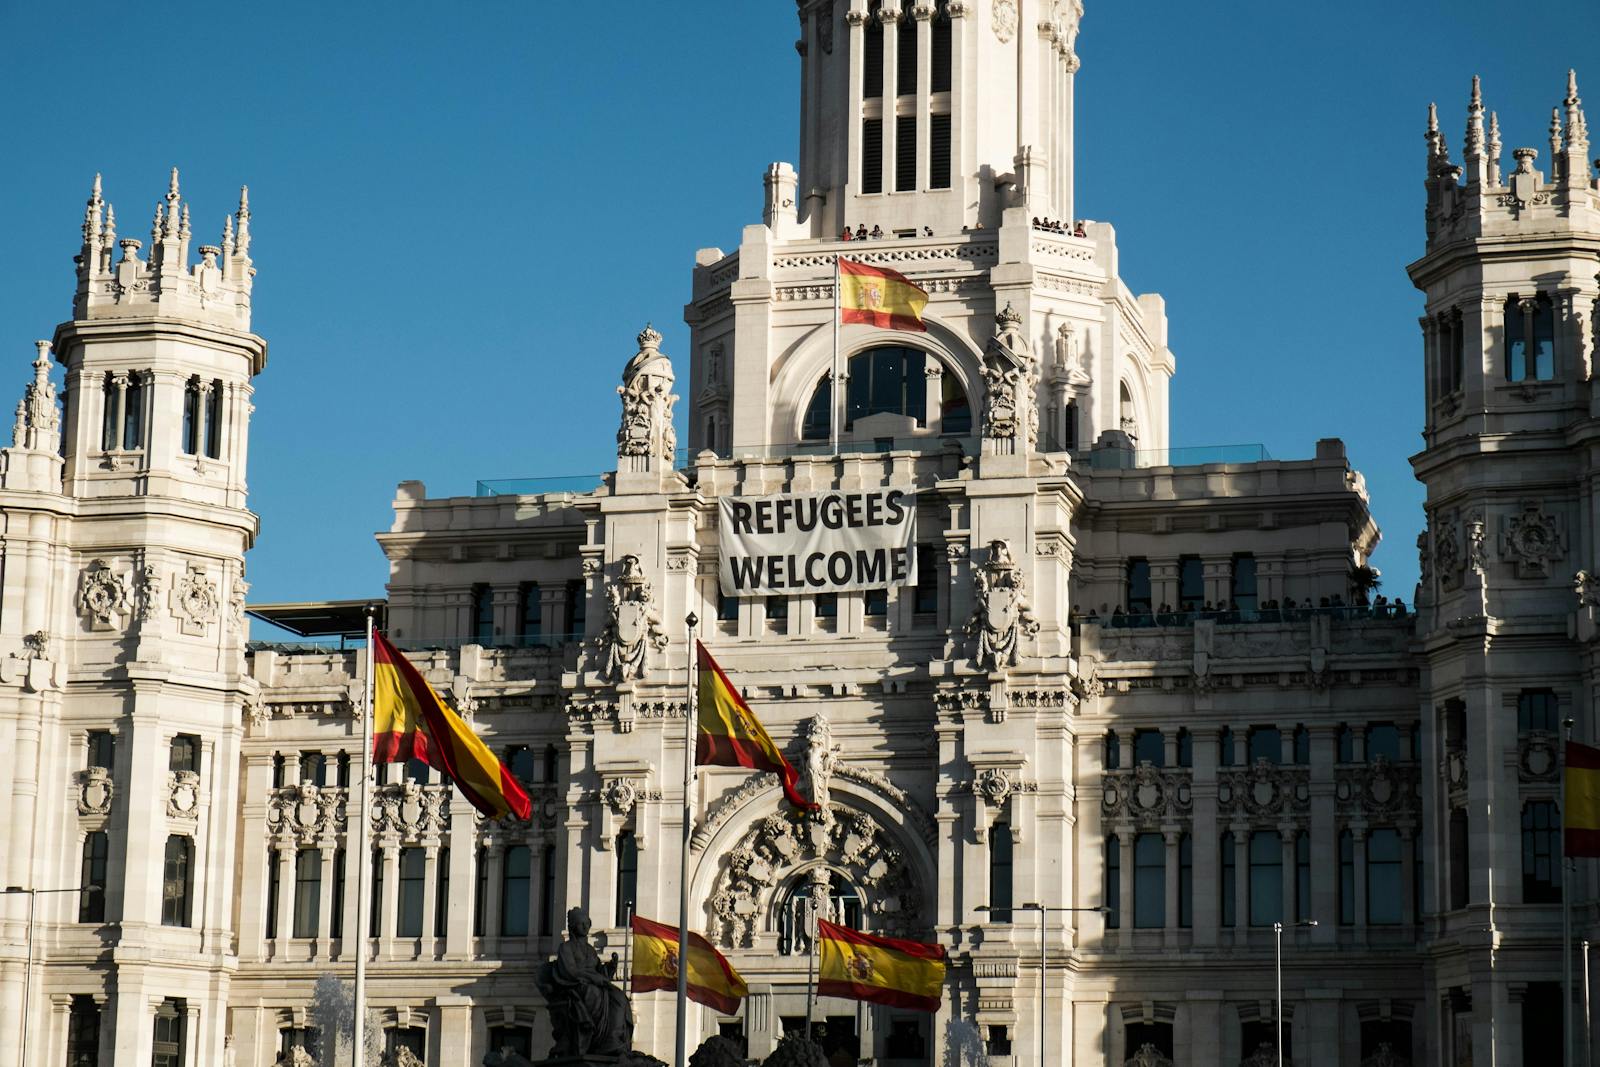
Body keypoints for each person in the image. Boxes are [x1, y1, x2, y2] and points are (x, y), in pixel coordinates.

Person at [535, 908, 634, 1057]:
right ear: (573, 926)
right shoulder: (566, 948)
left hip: (596, 985)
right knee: (592, 994)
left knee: (619, 998)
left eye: (587, 923)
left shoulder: (590, 950)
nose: (585, 927)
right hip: (574, 986)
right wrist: (591, 977)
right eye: (581, 923)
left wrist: (611, 966)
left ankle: (612, 1039)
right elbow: (569, 971)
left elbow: (600, 971)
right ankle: (592, 1038)